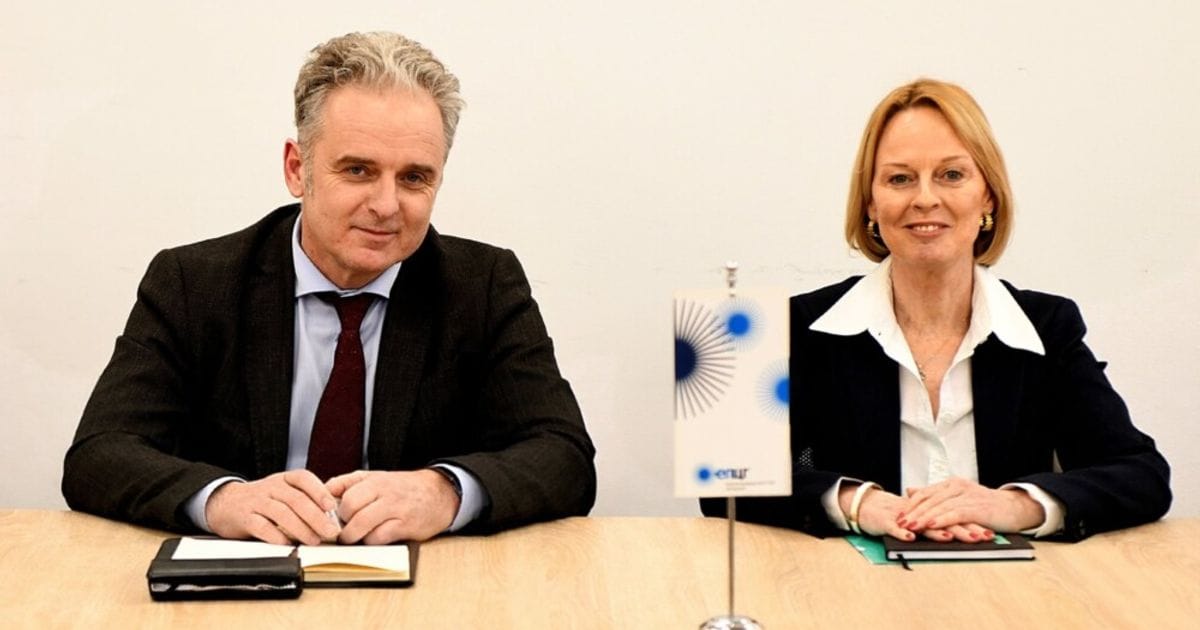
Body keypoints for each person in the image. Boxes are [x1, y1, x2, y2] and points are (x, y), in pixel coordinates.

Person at [62, 32, 596, 545]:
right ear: (297, 169)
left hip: (425, 585)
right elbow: (99, 454)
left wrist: (445, 493)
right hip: (245, 580)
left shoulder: (482, 285)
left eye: (414, 178)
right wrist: (222, 500)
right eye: (358, 170)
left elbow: (565, 456)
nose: (386, 205)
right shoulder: (194, 282)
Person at [703, 78, 1170, 542]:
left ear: (988, 195)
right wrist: (858, 503)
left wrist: (1011, 505)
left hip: (1012, 585)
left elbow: (1142, 475)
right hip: (851, 582)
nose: (925, 198)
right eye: (899, 178)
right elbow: (724, 482)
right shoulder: (797, 326)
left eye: (951, 175)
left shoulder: (1048, 326)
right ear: (871, 204)